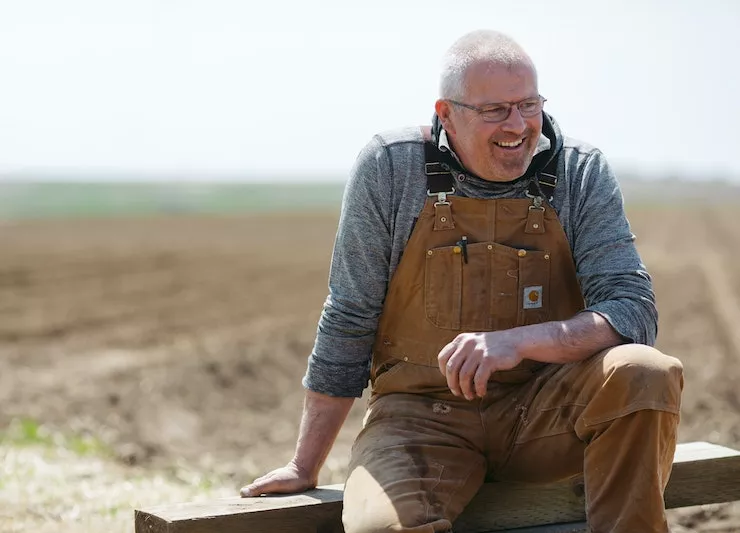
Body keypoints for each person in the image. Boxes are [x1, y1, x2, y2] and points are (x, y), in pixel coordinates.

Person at [240, 30, 684, 533]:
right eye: (494, 110)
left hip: (545, 413)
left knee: (645, 371)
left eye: (528, 104)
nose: (518, 125)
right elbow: (350, 313)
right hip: (419, 420)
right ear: (446, 113)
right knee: (382, 528)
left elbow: (632, 309)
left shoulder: (580, 172)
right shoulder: (391, 168)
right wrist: (305, 465)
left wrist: (520, 342)